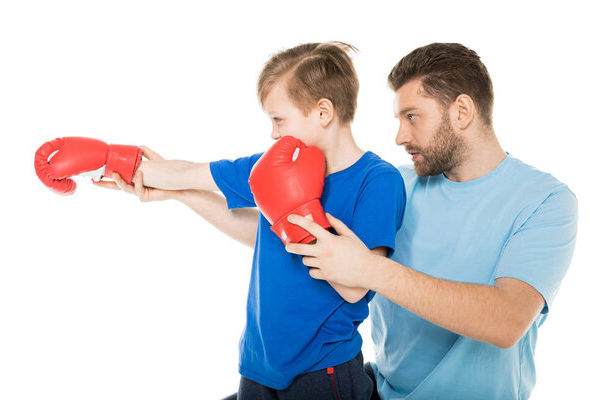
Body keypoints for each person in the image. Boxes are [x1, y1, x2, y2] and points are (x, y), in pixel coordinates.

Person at [95, 42, 406, 399]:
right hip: (258, 363)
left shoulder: (377, 180)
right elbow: (193, 173)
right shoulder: (272, 165)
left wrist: (296, 209)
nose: (273, 133)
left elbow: (356, 288)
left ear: (323, 112)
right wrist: (121, 165)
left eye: (279, 120)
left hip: (325, 368)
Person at [285, 42, 578, 400]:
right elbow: (302, 233)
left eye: (412, 116)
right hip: (378, 390)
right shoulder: (395, 184)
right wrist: (195, 185)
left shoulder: (544, 200)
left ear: (462, 111)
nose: (399, 137)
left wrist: (369, 270)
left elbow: (507, 320)